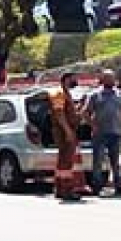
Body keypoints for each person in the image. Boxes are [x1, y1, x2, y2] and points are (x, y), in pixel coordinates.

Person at [84, 69, 121, 197]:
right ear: (103, 80)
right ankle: (97, 187)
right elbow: (85, 112)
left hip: (115, 132)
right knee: (98, 161)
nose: (111, 81)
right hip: (100, 134)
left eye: (112, 78)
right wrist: (93, 125)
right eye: (108, 78)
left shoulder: (119, 94)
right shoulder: (95, 95)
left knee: (115, 162)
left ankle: (118, 186)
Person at [47, 72, 84, 202]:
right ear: (67, 79)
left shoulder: (66, 93)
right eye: (74, 79)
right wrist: (68, 131)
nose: (76, 81)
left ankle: (59, 188)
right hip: (63, 131)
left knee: (63, 160)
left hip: (66, 130)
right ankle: (66, 190)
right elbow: (59, 114)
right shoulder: (58, 93)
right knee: (66, 161)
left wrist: (79, 109)